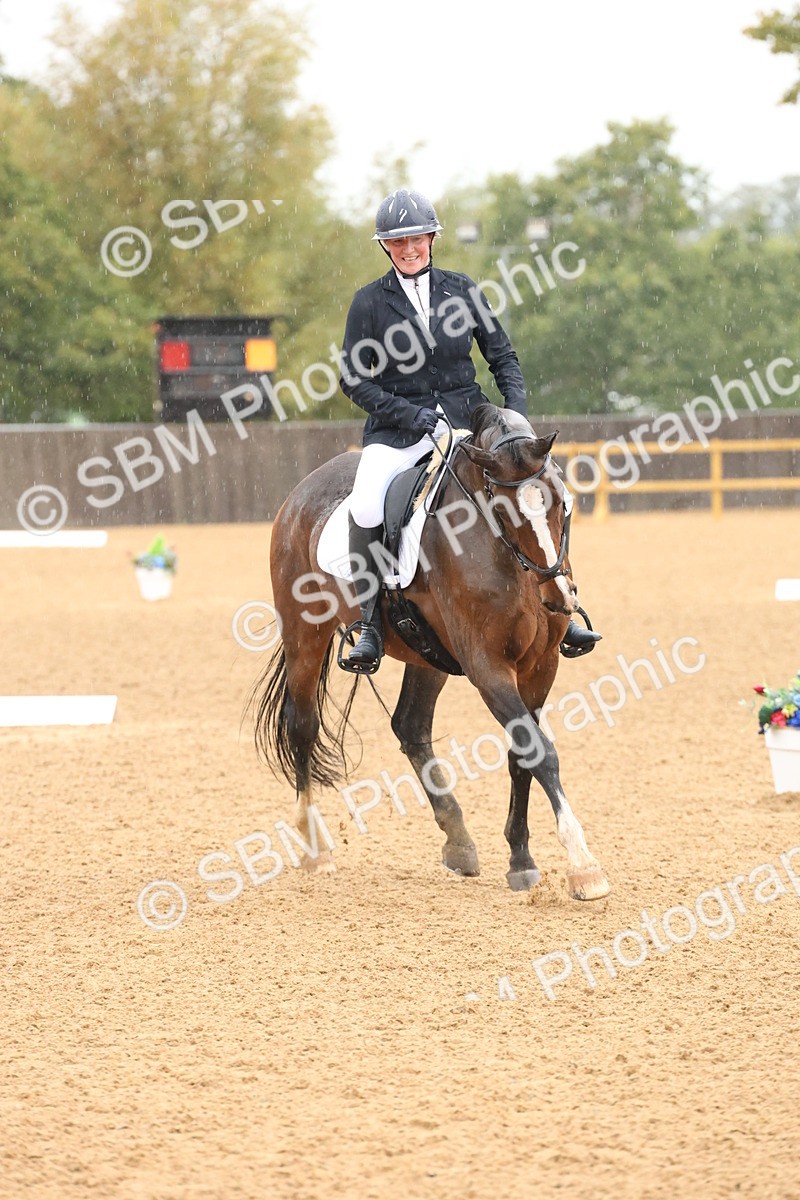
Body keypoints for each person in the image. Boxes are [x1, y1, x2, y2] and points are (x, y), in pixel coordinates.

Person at [338, 187, 601, 672]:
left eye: (416, 238)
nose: (408, 249)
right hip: (400, 431)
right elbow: (353, 380)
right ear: (385, 246)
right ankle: (370, 624)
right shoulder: (369, 302)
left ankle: (563, 604)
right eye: (397, 242)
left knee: (546, 491)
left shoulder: (461, 290)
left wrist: (516, 419)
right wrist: (409, 414)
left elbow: (503, 357)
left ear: (432, 239)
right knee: (367, 502)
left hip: (470, 423)